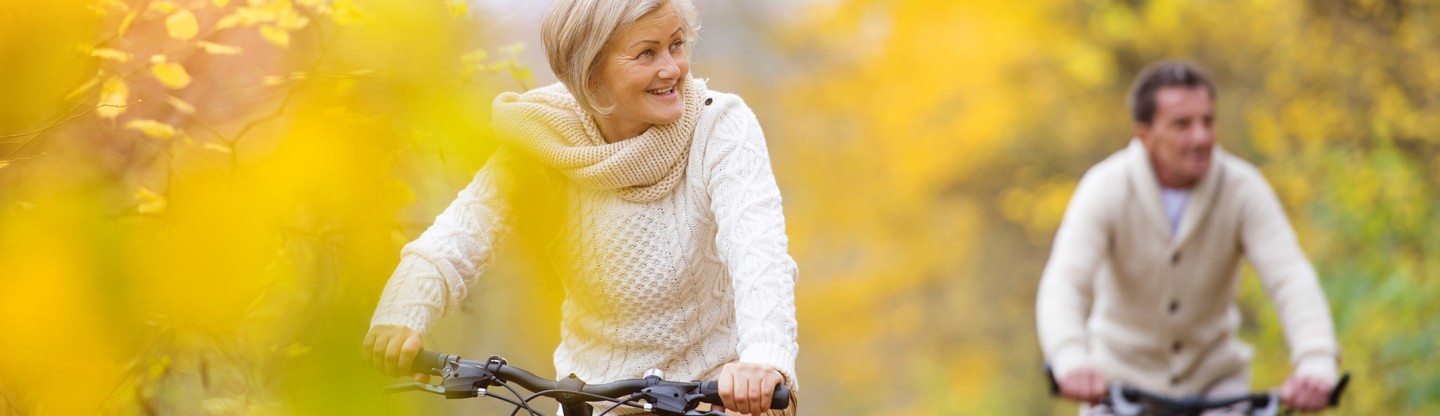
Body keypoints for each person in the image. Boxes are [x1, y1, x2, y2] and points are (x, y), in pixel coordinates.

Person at [360, 1, 799, 414]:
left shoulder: (719, 126)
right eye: (646, 54)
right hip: (589, 399)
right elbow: (456, 238)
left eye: (677, 44)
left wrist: (763, 359)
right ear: (591, 76)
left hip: (717, 395)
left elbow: (758, 253)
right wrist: (403, 313)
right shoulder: (548, 140)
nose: (672, 68)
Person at [1035, 61, 1340, 414]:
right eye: (1182, 124)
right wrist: (1070, 358)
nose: (1201, 137)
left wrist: (1317, 362)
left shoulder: (1243, 189)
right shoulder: (1105, 188)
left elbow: (1290, 278)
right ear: (1144, 136)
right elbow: (1065, 282)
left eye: (1208, 121)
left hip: (1216, 385)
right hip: (1119, 388)